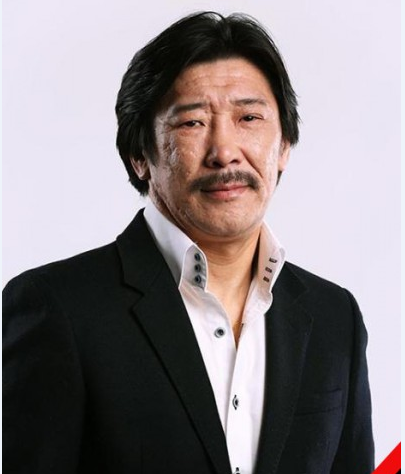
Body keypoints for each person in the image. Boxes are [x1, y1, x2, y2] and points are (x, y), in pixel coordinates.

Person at [3, 11, 374, 474]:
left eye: (249, 117)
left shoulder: (335, 317)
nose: (225, 152)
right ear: (139, 154)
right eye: (193, 123)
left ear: (284, 146)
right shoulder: (57, 308)